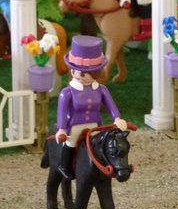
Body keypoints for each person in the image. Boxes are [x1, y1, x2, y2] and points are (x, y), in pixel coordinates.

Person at [55, 36, 128, 179]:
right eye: (75, 70)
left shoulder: (101, 89)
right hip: (75, 125)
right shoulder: (67, 92)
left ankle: (101, 166)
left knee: (101, 145)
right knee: (71, 143)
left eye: (84, 73)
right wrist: (62, 129)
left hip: (95, 124)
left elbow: (110, 105)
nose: (78, 74)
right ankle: (64, 166)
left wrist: (117, 118)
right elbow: (62, 112)